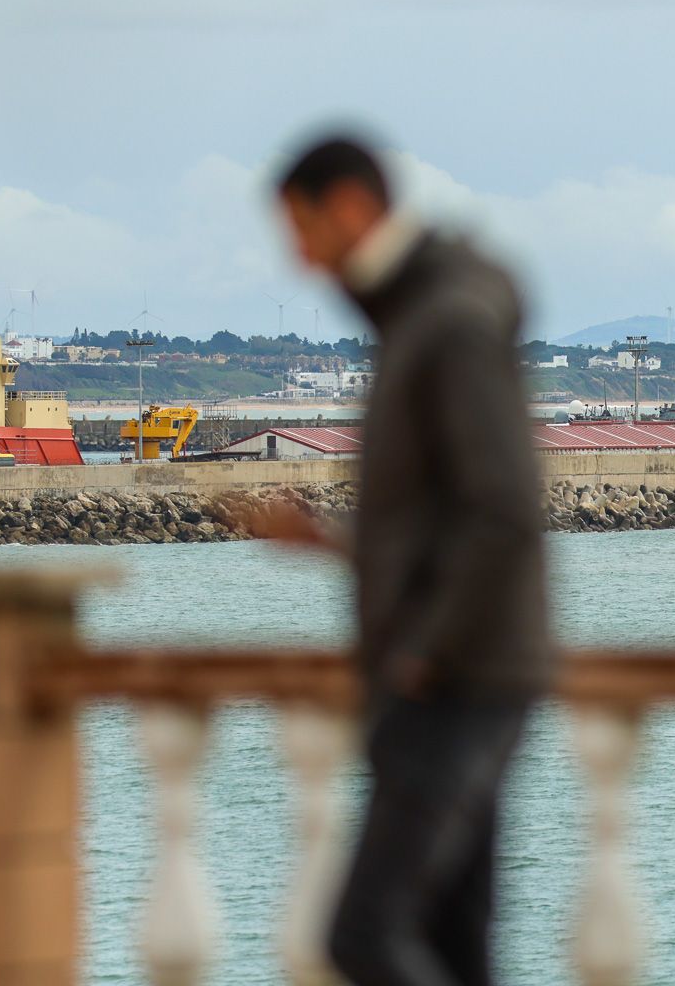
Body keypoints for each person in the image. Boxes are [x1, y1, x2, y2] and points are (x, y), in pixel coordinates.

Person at [257, 134, 552, 986]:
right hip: (467, 667)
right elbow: (449, 524)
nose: (299, 255)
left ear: (351, 205)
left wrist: (424, 650)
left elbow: (502, 512)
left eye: (303, 227)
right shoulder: (420, 315)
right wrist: (334, 544)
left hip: (454, 679)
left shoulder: (445, 322)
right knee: (457, 944)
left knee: (366, 935)